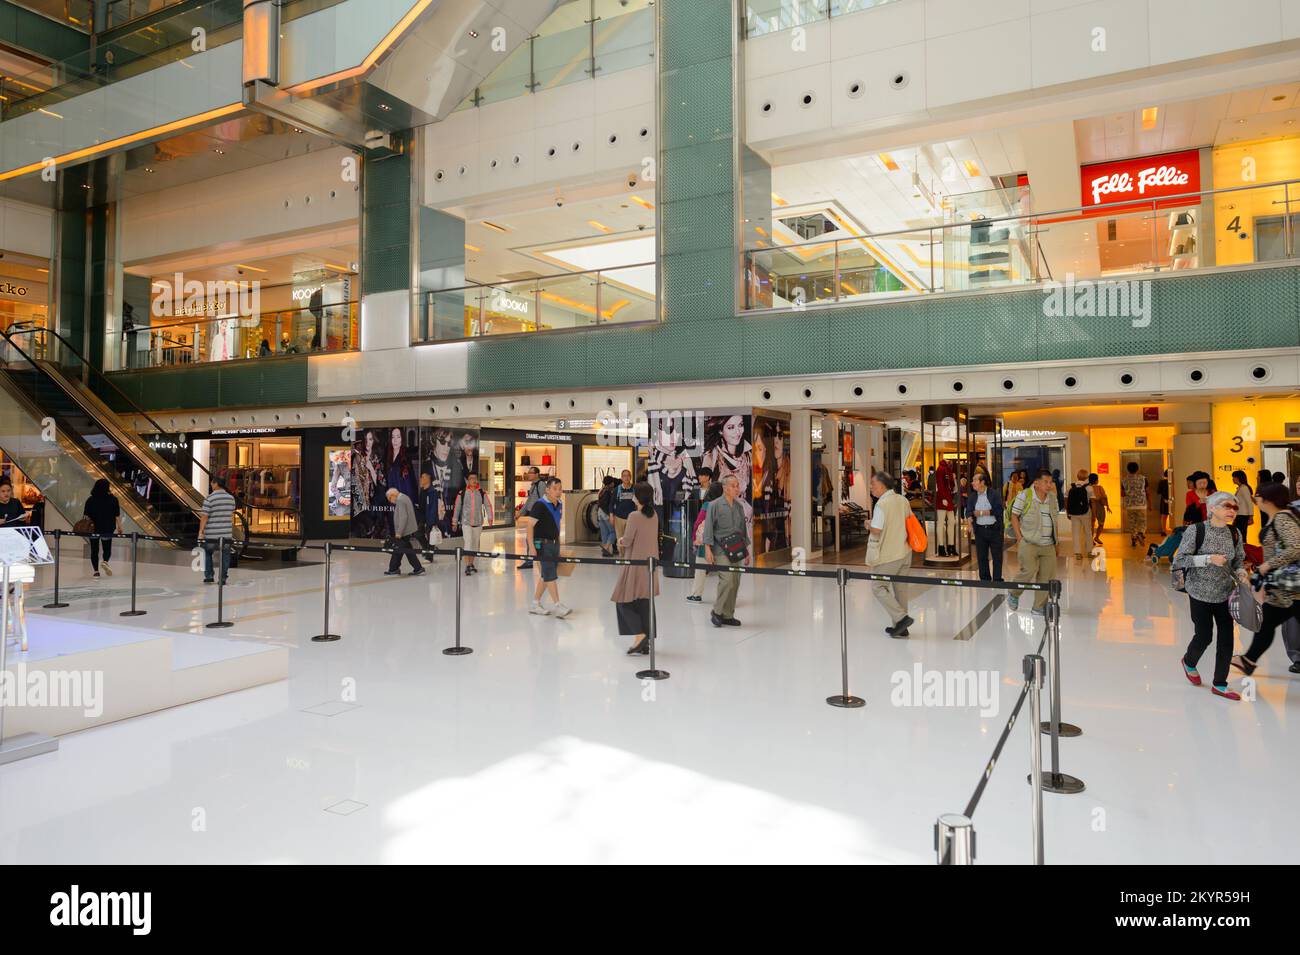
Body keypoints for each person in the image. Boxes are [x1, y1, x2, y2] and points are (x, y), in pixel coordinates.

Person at [1173, 491, 1247, 701]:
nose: (1232, 511)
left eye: (1235, 507)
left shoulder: (1234, 533)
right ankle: (1189, 661)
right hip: (1199, 592)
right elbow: (1179, 560)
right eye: (1227, 506)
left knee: (1226, 638)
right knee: (1204, 635)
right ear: (1212, 508)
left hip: (1225, 593)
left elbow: (1238, 560)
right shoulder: (1196, 531)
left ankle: (1220, 683)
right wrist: (1208, 559)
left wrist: (1241, 573)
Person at [1232, 483, 1300, 677]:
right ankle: (1248, 661)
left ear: (1267, 499)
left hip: (1291, 586)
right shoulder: (1279, 517)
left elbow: (1296, 547)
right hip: (1284, 587)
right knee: (1266, 623)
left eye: (1258, 497)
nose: (1256, 500)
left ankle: (1248, 661)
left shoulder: (1282, 518)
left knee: (1266, 623)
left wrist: (1268, 565)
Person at [610, 481, 660, 654]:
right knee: (644, 602)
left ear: (637, 497)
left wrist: (620, 540)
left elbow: (628, 540)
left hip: (635, 563)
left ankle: (639, 636)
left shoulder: (634, 516)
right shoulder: (653, 514)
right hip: (650, 564)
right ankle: (646, 641)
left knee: (623, 600)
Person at [866, 471, 913, 637]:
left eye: (872, 484)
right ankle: (902, 627)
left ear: (881, 485)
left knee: (878, 586)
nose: (871, 487)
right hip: (905, 552)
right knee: (901, 589)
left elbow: (877, 529)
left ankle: (901, 619)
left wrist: (868, 524)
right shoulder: (903, 500)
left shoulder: (882, 504)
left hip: (889, 554)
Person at [1009, 470, 1059, 615]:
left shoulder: (1052, 498)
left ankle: (1038, 607)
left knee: (1047, 575)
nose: (1049, 485)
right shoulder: (1025, 495)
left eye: (1051, 482)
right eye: (1046, 482)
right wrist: (1019, 538)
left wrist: (1057, 542)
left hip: (1048, 544)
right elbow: (1014, 515)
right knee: (1028, 570)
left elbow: (1054, 520)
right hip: (1029, 542)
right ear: (1036, 483)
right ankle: (1014, 593)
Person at [701, 474, 748, 628]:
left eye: (737, 486)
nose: (737, 489)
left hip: (737, 549)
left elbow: (743, 530)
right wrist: (708, 549)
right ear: (725, 488)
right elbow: (708, 528)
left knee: (735, 581)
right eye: (733, 486)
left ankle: (728, 614)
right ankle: (717, 611)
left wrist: (746, 550)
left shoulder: (739, 506)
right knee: (726, 579)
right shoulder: (714, 505)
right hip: (721, 549)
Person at [523, 477, 570, 617]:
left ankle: (535, 604)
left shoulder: (559, 503)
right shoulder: (540, 505)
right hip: (541, 545)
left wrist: (558, 543)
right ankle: (557, 605)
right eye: (555, 489)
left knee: (545, 575)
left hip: (554, 544)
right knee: (550, 575)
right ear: (547, 490)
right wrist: (532, 547)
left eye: (560, 489)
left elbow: (556, 524)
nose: (558, 492)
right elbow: (530, 526)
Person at [964, 470, 1004, 581]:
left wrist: (981, 513)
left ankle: (997, 579)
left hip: (994, 530)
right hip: (980, 531)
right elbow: (969, 511)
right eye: (972, 481)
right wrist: (969, 523)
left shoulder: (994, 494)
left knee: (997, 556)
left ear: (982, 482)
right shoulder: (972, 497)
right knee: (982, 557)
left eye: (975, 480)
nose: (972, 483)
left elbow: (999, 510)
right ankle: (985, 579)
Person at [451, 472, 492, 575]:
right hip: (466, 523)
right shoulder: (462, 493)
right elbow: (457, 508)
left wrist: (490, 518)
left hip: (478, 524)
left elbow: (488, 505)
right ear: (468, 481)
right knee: (468, 543)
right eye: (471, 478)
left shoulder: (482, 492)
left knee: (474, 545)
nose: (473, 480)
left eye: (475, 478)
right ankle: (467, 565)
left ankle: (471, 563)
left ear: (477, 480)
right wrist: (454, 522)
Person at [198, 476, 237, 585]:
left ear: (216, 484)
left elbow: (204, 516)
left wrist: (201, 531)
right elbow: (231, 512)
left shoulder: (209, 498)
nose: (211, 485)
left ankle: (209, 575)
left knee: (207, 552)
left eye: (212, 483)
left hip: (211, 534)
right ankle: (223, 578)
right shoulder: (231, 498)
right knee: (225, 555)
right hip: (226, 533)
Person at [689, 481, 723, 602]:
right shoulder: (723, 505)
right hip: (720, 542)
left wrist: (694, 537)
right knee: (723, 573)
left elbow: (698, 523)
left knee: (700, 568)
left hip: (706, 542)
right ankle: (725, 597)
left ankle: (696, 594)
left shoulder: (707, 505)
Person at [83, 478, 122, 578]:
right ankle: (105, 561)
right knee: (107, 548)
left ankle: (96, 571)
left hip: (93, 529)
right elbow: (117, 515)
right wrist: (119, 527)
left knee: (94, 550)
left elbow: (86, 516)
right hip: (107, 528)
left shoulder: (90, 500)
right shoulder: (113, 499)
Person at [382, 487, 425, 577]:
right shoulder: (403, 497)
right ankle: (417, 568)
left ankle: (393, 569)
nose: (390, 501)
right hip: (407, 530)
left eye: (390, 498)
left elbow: (403, 517)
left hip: (404, 530)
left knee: (398, 549)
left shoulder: (400, 500)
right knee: (406, 550)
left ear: (393, 495)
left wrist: (399, 532)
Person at [516, 465, 543, 570]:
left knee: (531, 538)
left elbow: (543, 500)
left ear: (537, 474)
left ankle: (531, 560)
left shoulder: (540, 485)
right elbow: (529, 502)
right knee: (530, 538)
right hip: (533, 515)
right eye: (529, 472)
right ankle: (530, 560)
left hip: (538, 516)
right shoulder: (533, 486)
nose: (529, 474)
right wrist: (520, 513)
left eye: (531, 473)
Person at [1121, 461, 1150, 548]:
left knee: (1132, 523)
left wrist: (1129, 492)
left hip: (1130, 505)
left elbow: (1122, 494)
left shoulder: (1124, 480)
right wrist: (1150, 503)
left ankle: (1134, 539)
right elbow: (1148, 492)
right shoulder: (1143, 478)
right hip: (1141, 504)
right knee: (1142, 522)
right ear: (1137, 469)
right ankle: (1141, 533)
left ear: (1128, 469)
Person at [1065, 468, 1092, 561]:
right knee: (1088, 532)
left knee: (1075, 533)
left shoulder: (1070, 486)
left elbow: (1066, 499)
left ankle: (1077, 553)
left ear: (1077, 476)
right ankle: (1089, 552)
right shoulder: (1089, 487)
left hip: (1073, 512)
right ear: (1086, 477)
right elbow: (1092, 501)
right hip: (1086, 512)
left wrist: (1067, 511)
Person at [595, 474, 619, 557]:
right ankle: (606, 547)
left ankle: (606, 551)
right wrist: (610, 515)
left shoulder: (601, 490)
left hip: (600, 513)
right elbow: (607, 505)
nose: (613, 484)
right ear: (611, 483)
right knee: (613, 532)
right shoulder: (608, 491)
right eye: (612, 482)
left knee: (604, 533)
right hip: (606, 514)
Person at [416, 472, 440, 550]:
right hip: (422, 518)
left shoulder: (433, 492)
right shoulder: (422, 491)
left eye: (423, 477)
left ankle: (429, 557)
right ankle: (427, 550)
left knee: (431, 537)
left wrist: (432, 522)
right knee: (418, 534)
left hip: (430, 519)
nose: (421, 479)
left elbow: (433, 508)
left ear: (428, 478)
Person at [611, 469, 637, 540]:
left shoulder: (634, 489)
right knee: (620, 539)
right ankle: (621, 552)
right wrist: (611, 515)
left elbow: (638, 504)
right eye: (624, 476)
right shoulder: (617, 489)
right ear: (621, 478)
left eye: (628, 476)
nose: (626, 478)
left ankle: (628, 551)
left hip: (631, 518)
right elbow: (612, 503)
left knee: (630, 539)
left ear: (630, 477)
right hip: (619, 518)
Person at [1231, 470, 1254, 540]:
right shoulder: (1241, 488)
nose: (1232, 479)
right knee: (1239, 535)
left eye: (1233, 477)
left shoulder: (1244, 488)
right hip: (1240, 515)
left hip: (1243, 516)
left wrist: (1251, 517)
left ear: (1238, 478)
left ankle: (1243, 549)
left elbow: (1249, 503)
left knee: (1241, 535)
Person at [1088, 472, 1109, 544]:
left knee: (1091, 524)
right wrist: (1108, 506)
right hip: (1099, 506)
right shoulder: (1100, 487)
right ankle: (1097, 537)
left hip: (1090, 506)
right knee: (1101, 523)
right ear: (1097, 480)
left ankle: (1091, 539)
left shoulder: (1087, 488)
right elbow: (1105, 497)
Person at [1157, 469, 1172, 535]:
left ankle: (1163, 530)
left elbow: (1159, 492)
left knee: (1164, 516)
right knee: (1165, 515)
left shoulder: (1162, 482)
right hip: (1166, 500)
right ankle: (1164, 530)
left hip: (1164, 499)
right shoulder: (1165, 482)